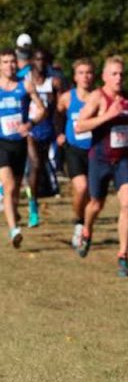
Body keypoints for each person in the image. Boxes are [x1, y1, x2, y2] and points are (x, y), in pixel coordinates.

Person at [75, 55, 128, 276]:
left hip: (122, 160)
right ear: (104, 76)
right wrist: (106, 116)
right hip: (100, 159)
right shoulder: (97, 97)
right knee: (96, 204)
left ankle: (123, 255)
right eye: (114, 74)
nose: (118, 78)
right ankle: (87, 230)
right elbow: (79, 126)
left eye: (121, 73)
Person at [0, 48, 46, 247]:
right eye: (5, 62)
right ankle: (14, 231)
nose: (9, 65)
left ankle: (13, 213)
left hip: (19, 144)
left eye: (12, 61)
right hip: (1, 143)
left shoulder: (25, 86)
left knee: (16, 188)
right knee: (9, 185)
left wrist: (30, 124)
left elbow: (42, 109)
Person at [55, 58, 95, 249]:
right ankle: (79, 223)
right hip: (74, 149)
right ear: (75, 76)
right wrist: (60, 132)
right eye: (81, 73)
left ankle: (87, 227)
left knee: (92, 195)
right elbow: (57, 115)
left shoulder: (99, 96)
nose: (85, 77)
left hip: (96, 150)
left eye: (88, 72)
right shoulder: (67, 98)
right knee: (80, 188)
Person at [23, 47, 63, 227]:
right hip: (30, 129)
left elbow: (61, 108)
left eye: (43, 60)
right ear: (31, 61)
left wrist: (60, 129)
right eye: (37, 60)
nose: (40, 63)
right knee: (35, 164)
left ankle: (34, 196)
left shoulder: (53, 83)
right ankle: (33, 208)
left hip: (48, 131)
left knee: (43, 167)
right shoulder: (25, 82)